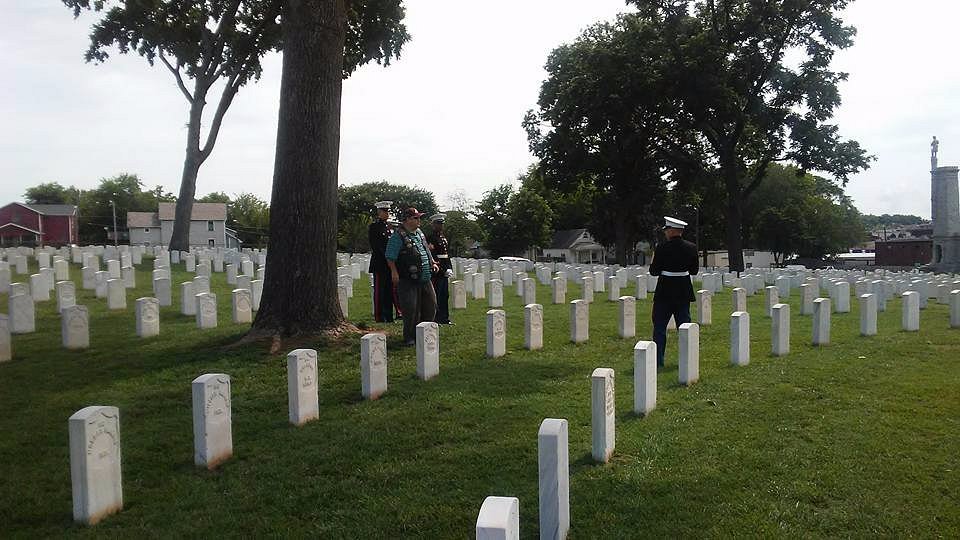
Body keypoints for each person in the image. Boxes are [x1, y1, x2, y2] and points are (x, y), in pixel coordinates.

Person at [649, 216, 699, 367]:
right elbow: (694, 270)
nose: (665, 233)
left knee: (659, 327)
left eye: (666, 230)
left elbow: (654, 271)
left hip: (665, 291)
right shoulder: (691, 247)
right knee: (684, 327)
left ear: (671, 231)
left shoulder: (662, 248)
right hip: (683, 291)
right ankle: (688, 359)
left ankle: (658, 360)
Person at [386, 207, 440, 345]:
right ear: (407, 219)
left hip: (425, 276)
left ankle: (425, 331)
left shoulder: (419, 233)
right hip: (407, 278)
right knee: (411, 308)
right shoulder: (398, 236)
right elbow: (390, 256)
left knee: (431, 305)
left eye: (419, 217)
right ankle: (409, 336)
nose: (419, 220)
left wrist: (432, 262)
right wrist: (394, 271)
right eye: (416, 218)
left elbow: (425, 249)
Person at [368, 201, 398, 322]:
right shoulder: (374, 227)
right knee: (380, 291)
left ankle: (389, 315)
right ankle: (379, 316)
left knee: (389, 291)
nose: (387, 213)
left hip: (389, 263)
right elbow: (377, 246)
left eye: (388, 211)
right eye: (384, 211)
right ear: (379, 212)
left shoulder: (389, 228)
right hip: (380, 263)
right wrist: (388, 258)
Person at [426, 213, 454, 324]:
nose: (440, 226)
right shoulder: (430, 238)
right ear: (433, 225)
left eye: (441, 224)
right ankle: (435, 318)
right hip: (436, 270)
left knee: (444, 295)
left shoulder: (443, 238)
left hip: (445, 268)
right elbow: (432, 255)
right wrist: (442, 270)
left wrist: (449, 268)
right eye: (438, 224)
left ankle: (444, 318)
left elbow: (446, 255)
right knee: (436, 295)